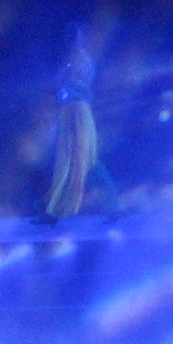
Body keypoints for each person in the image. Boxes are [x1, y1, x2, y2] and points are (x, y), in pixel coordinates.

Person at [43, 29, 121, 222]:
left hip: (77, 110)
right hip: (70, 111)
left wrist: (63, 78)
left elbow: (75, 85)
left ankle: (54, 211)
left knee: (80, 161)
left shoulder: (80, 60)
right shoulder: (72, 60)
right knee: (75, 161)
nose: (69, 40)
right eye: (68, 37)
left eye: (74, 36)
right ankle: (52, 210)